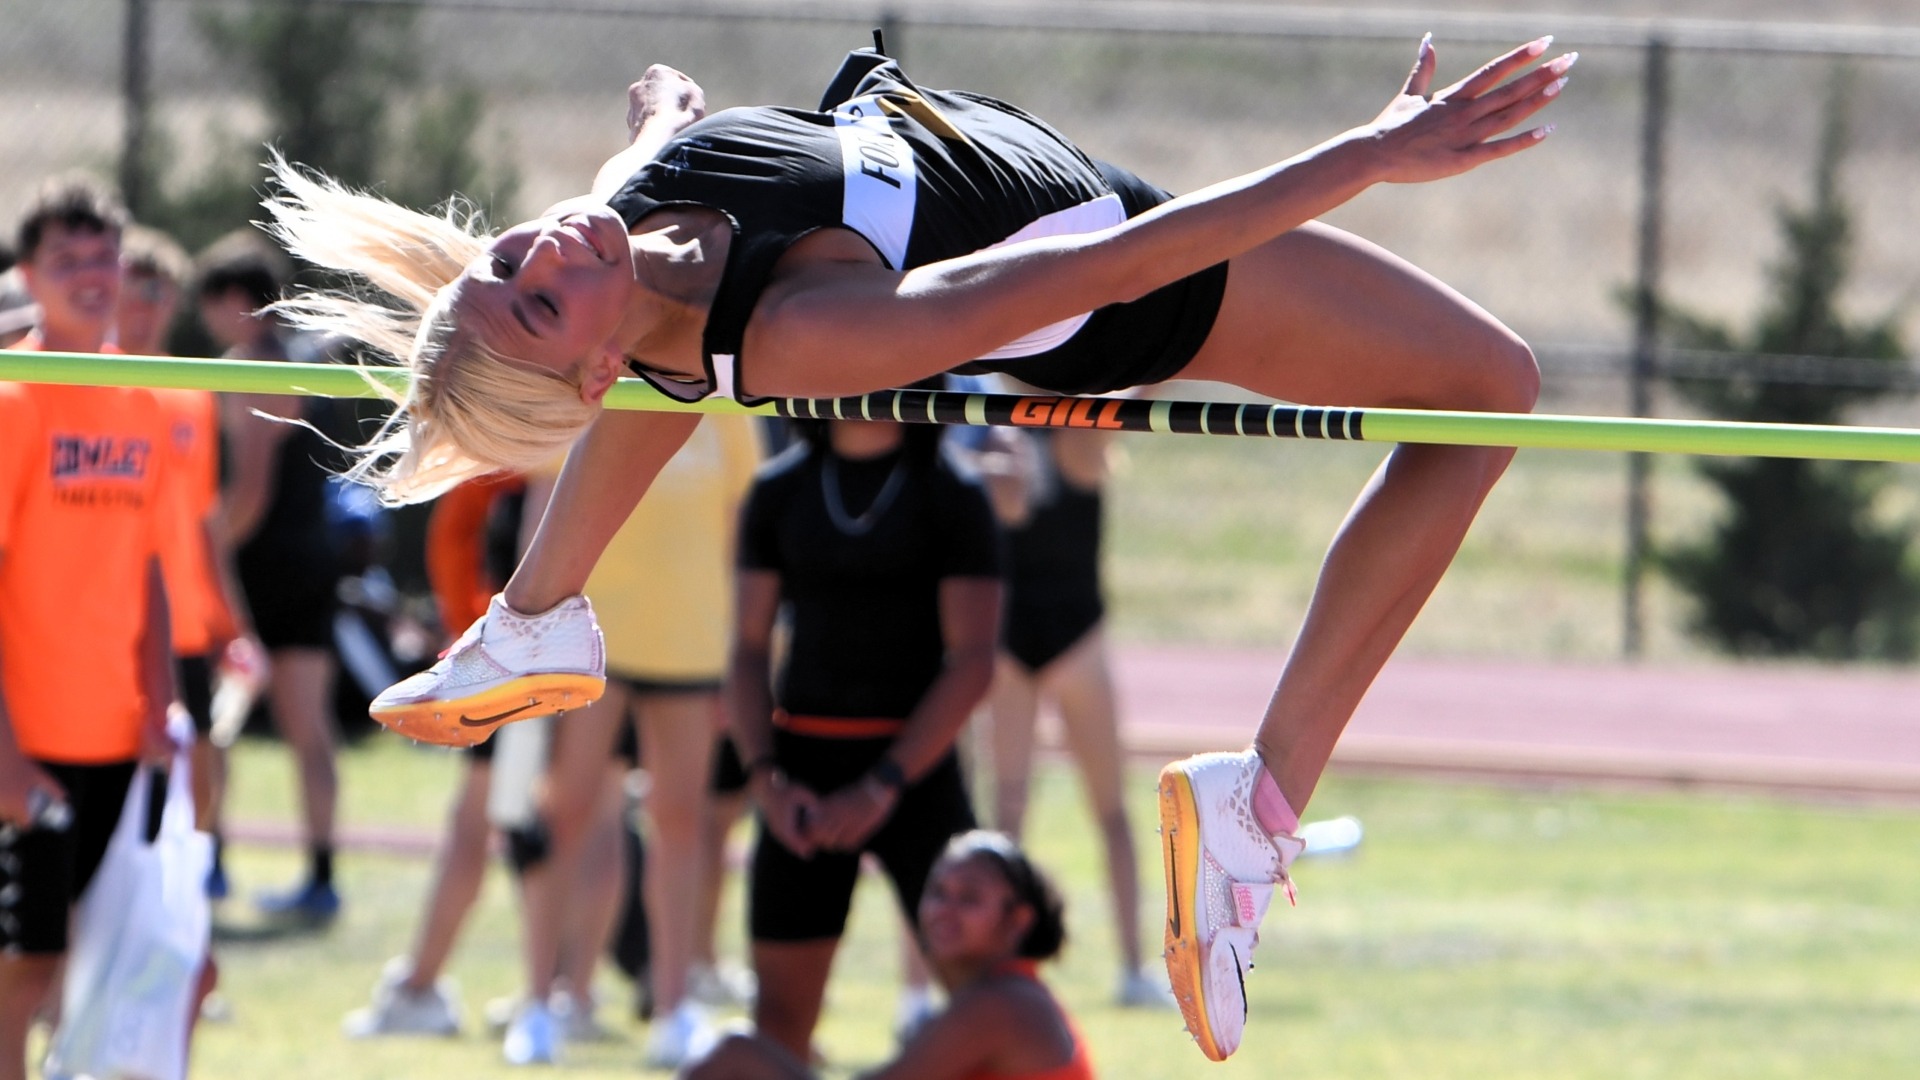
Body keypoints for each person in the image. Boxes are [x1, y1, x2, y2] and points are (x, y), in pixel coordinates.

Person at [268, 36, 1569, 1060]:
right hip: (1137, 280)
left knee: (656, 339)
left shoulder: (624, 206)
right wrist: (1369, 153)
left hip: (1052, 200)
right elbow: (1113, 272)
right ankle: (1258, 803)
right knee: (1492, 388)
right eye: (543, 300)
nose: (544, 250)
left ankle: (537, 613)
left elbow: (661, 131)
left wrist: (665, 105)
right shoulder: (805, 333)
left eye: (507, 259)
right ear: (595, 367)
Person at [726, 411, 1000, 1062]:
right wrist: (766, 781)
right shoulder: (779, 489)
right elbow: (747, 649)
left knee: (990, 1005)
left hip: (916, 771)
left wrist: (883, 784)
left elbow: (974, 661)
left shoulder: (953, 492)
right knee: (778, 1028)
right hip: (802, 777)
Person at [0, 175, 176, 1080]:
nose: (92, 274)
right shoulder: (14, 399)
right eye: (65, 259)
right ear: (27, 276)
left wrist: (160, 704)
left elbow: (150, 566)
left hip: (113, 736)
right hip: (27, 741)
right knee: (21, 969)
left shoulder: (140, 399)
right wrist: (4, 754)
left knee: (78, 961)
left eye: (104, 255)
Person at [961, 404, 1168, 1009]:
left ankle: (1133, 965)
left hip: (1074, 637)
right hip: (1016, 641)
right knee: (1011, 809)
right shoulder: (994, 425)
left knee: (1107, 809)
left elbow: (1128, 406)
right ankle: (1000, 962)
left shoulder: (1075, 432)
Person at [197, 231, 347, 923]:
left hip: (260, 567)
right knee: (309, 727)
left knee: (218, 722)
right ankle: (321, 875)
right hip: (313, 557)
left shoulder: (251, 366)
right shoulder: (304, 355)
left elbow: (250, 493)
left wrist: (203, 549)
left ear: (234, 299)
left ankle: (211, 864)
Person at [681, 830, 1093, 1080]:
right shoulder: (1006, 994)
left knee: (735, 1053)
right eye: (938, 893)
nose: (944, 910)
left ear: (1018, 920)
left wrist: (746, 1061)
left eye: (969, 898)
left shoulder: (1000, 1004)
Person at [115, 225, 263, 900]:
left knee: (201, 760)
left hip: (183, 618)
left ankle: (187, 893)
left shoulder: (191, 393)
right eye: (134, 292)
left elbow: (205, 521)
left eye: (158, 294)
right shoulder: (86, 380)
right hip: (111, 619)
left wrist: (234, 624)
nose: (144, 308)